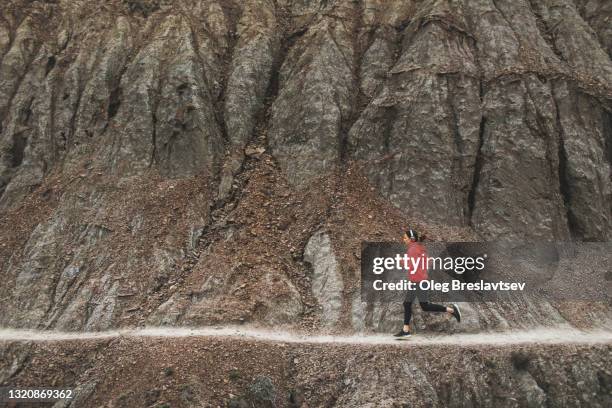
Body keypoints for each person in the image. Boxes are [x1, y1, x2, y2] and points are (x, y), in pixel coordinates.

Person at [394, 229, 461, 338]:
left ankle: (452, 310)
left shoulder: (413, 249)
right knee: (412, 304)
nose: (403, 239)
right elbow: (427, 262)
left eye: (405, 238)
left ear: (411, 239)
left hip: (418, 281)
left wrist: (401, 261)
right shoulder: (418, 248)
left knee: (420, 305)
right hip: (419, 281)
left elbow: (412, 265)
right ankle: (405, 330)